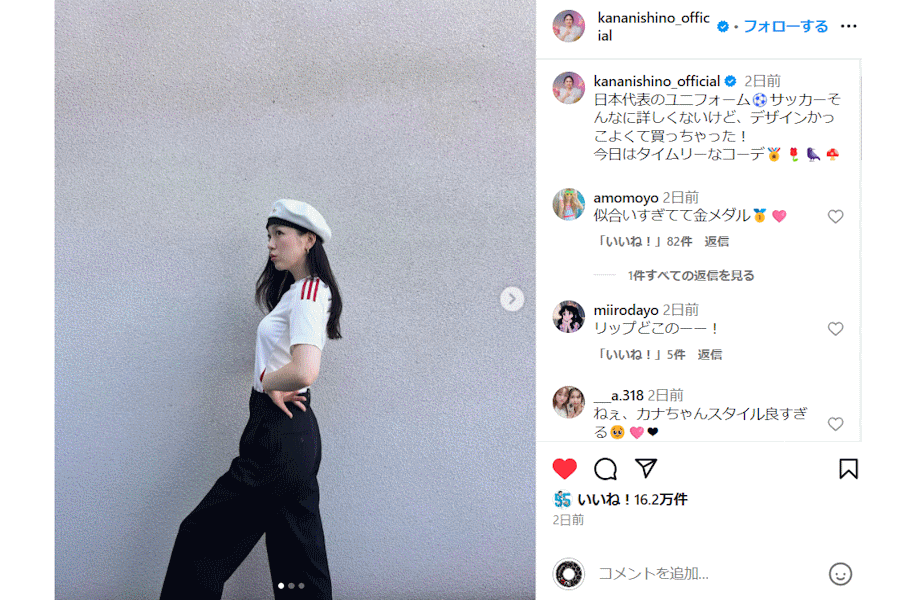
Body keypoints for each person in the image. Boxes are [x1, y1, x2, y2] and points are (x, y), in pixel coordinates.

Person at [160, 199, 343, 600]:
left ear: (308, 240)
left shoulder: (308, 292)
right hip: (288, 434)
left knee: (198, 540)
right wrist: (273, 382)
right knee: (298, 560)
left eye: (280, 234)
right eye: (269, 236)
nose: (271, 244)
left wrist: (265, 381)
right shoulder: (300, 292)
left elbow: (305, 370)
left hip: (279, 435)